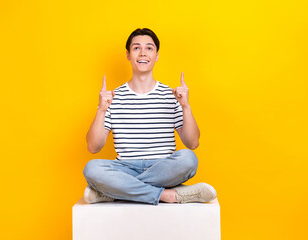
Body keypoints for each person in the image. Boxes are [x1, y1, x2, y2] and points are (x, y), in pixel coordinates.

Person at [83, 28, 217, 205]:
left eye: (149, 48)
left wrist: (186, 106)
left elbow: (193, 143)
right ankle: (165, 195)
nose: (143, 53)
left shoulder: (171, 95)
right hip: (125, 168)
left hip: (163, 168)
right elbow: (93, 147)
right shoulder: (113, 97)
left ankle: (116, 192)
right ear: (128, 55)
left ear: (157, 55)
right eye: (136, 48)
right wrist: (101, 109)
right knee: (92, 169)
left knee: (188, 159)